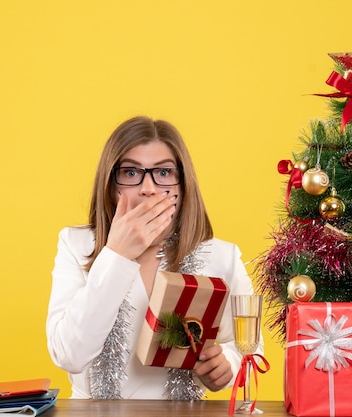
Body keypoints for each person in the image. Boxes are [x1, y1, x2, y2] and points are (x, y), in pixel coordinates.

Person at [46, 116, 263, 400]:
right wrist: (117, 254)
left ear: (182, 184)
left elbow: (250, 350)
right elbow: (69, 356)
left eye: (163, 172)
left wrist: (229, 365)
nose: (148, 188)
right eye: (131, 173)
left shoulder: (222, 255)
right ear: (112, 185)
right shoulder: (76, 245)